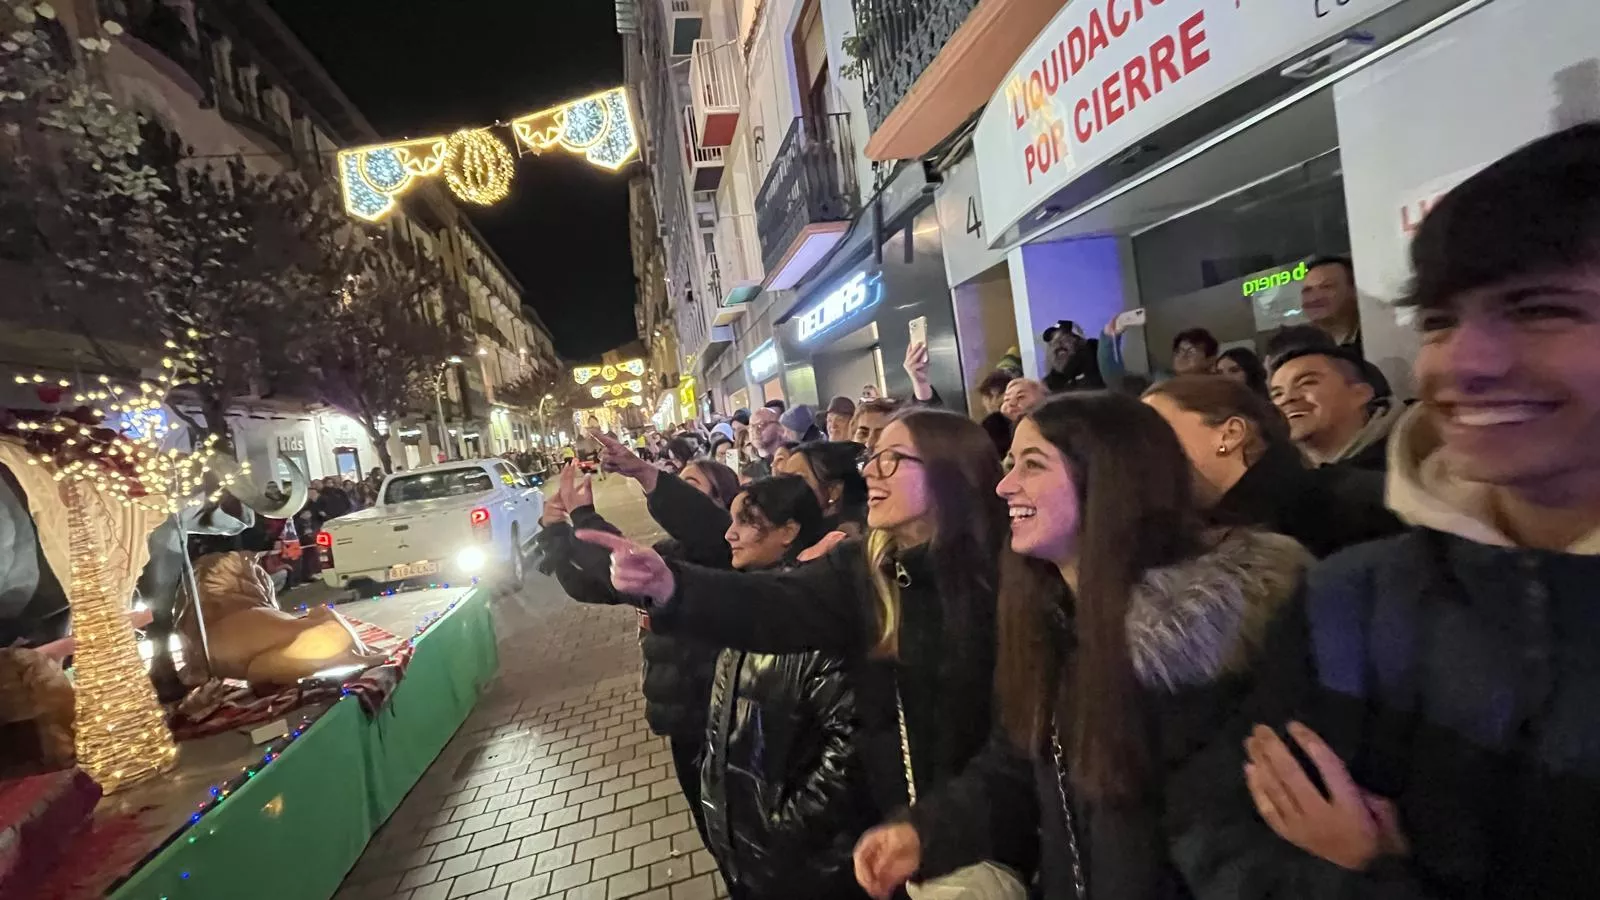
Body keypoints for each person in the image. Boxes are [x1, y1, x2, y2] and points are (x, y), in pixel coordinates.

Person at [1174, 122, 1600, 900]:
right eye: (1439, 321)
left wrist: (1373, 875)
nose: (1467, 362)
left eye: (1540, 309)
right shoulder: (1356, 597)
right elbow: (1216, 827)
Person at [852, 392, 1311, 900]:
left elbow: (1231, 848)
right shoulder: (1053, 620)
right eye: (1009, 465)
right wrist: (924, 833)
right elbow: (1018, 764)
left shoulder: (1198, 643)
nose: (1005, 487)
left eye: (1032, 465)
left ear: (1106, 478)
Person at [577, 409, 1037, 886]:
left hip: (990, 849)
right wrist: (672, 586)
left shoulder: (1011, 583)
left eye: (893, 459)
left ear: (951, 475)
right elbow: (772, 604)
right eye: (872, 457)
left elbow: (1017, 748)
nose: (870, 471)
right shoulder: (864, 571)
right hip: (903, 848)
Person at [536, 457, 732, 845]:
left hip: (722, 717)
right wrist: (556, 529)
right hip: (683, 720)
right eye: (680, 483)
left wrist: (585, 517)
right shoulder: (669, 549)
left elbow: (618, 558)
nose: (679, 493)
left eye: (692, 488)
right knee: (710, 826)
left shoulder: (725, 555)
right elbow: (596, 584)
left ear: (721, 503)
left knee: (737, 829)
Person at [701, 476, 876, 899]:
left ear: (789, 532)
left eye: (749, 521)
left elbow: (851, 743)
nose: (731, 533)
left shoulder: (814, 620)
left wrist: (781, 826)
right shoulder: (749, 604)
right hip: (748, 850)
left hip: (805, 868)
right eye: (732, 519)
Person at [1143, 375, 1400, 558]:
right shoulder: (1177, 539)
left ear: (1230, 433)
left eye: (1155, 430)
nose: (1140, 450)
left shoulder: (1358, 506)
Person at [1269, 345, 1401, 472]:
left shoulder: (1404, 459)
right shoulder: (1280, 475)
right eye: (1277, 394)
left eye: (1307, 382)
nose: (1287, 399)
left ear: (1360, 394)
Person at [777, 440, 869, 536]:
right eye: (784, 477)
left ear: (833, 491)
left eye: (798, 479)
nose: (785, 486)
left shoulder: (843, 539)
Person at [1101, 322, 1221, 386]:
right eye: (1179, 351)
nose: (1182, 356)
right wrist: (1109, 337)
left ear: (1210, 360)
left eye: (1191, 352)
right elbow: (1117, 380)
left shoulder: (1220, 388)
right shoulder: (1158, 382)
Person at [1299, 255, 1363, 357]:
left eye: (1326, 287)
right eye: (1307, 290)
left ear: (1354, 291)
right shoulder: (1299, 351)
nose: (1314, 298)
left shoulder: (1378, 341)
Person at [1040, 320, 1104, 393]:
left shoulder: (1098, 363)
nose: (1058, 344)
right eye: (1053, 342)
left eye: (1064, 338)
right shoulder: (1052, 382)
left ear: (1080, 341)